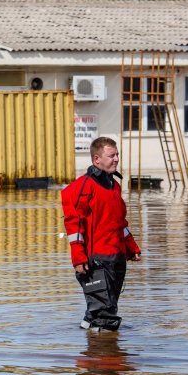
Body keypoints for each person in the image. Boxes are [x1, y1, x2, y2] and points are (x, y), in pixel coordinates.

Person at [61, 137, 141, 331]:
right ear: (96, 159)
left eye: (117, 155)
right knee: (105, 315)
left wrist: (131, 248)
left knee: (102, 309)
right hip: (95, 261)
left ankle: (92, 352)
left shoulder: (115, 186)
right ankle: (107, 357)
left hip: (116, 258)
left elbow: (119, 223)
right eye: (111, 155)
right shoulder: (83, 186)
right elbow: (74, 225)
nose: (116, 159)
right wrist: (79, 258)